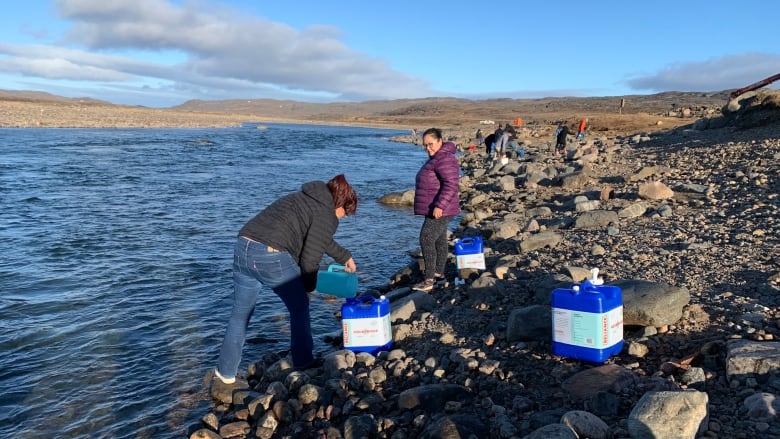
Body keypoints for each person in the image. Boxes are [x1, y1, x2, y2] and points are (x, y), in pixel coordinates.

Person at [212, 174, 358, 386]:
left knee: (240, 314)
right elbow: (311, 258)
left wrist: (344, 256)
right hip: (270, 255)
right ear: (340, 203)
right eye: (345, 213)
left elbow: (318, 239)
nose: (343, 218)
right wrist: (307, 289)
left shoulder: (301, 198)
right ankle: (304, 361)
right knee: (299, 306)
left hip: (242, 247)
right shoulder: (327, 215)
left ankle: (225, 373)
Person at [412, 128, 460, 292]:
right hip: (438, 207)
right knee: (439, 239)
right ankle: (439, 274)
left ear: (440, 141)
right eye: (425, 145)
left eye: (431, 144)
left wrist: (440, 205)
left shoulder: (444, 159)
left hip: (441, 208)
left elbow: (451, 184)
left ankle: (429, 279)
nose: (428, 148)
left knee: (426, 238)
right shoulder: (437, 157)